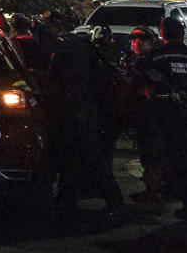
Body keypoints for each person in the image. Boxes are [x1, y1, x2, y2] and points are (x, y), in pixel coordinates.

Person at [131, 15, 187, 218]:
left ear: (162, 34)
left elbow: (137, 76)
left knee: (178, 161)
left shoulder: (157, 57)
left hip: (168, 118)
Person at [42, 13, 125, 215]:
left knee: (89, 156)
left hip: (77, 109)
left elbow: (66, 80)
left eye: (48, 25)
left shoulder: (69, 48)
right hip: (78, 108)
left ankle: (114, 202)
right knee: (71, 156)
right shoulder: (76, 46)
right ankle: (66, 197)